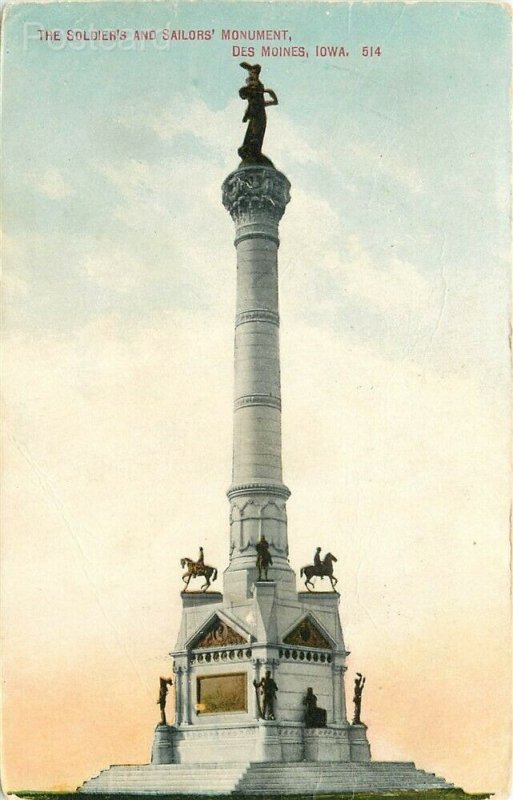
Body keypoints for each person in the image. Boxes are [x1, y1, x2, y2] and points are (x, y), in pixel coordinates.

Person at [237, 62, 278, 162]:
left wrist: (271, 95)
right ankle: (250, 151)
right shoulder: (254, 93)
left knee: (255, 136)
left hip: (258, 116)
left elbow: (267, 102)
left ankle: (253, 151)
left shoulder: (257, 90)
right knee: (251, 136)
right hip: (255, 115)